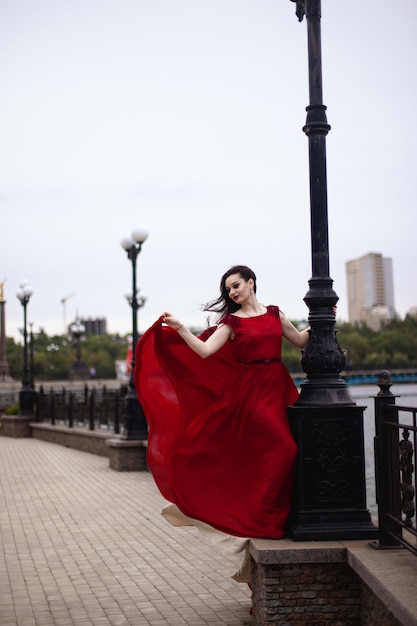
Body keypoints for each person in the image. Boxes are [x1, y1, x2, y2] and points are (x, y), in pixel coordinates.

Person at [134, 265, 310, 545]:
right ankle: (265, 518)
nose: (232, 292)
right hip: (251, 393)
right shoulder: (232, 322)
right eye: (228, 289)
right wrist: (180, 328)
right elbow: (204, 351)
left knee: (279, 451)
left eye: (236, 285)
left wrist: (322, 321)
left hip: (279, 385)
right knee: (284, 448)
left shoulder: (275, 314)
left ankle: (280, 515)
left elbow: (300, 340)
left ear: (251, 283)